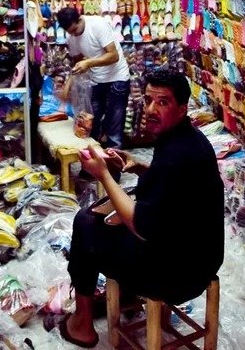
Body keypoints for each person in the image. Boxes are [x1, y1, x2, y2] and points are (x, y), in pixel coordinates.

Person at [58, 68, 225, 348]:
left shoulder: (176, 153)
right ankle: (124, 297)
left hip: (178, 274)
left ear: (182, 108)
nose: (150, 110)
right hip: (200, 258)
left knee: (85, 224)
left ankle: (83, 324)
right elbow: (173, 189)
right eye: (148, 100)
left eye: (163, 102)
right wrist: (139, 166)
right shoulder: (189, 139)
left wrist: (104, 175)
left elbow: (143, 227)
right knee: (99, 217)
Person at [56, 7, 130, 150]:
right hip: (96, 80)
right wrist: (67, 86)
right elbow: (77, 63)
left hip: (117, 78)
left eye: (75, 30)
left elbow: (114, 56)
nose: (73, 34)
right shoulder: (71, 37)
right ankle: (92, 160)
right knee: (89, 123)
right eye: (70, 32)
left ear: (80, 19)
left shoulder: (98, 25)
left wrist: (89, 63)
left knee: (114, 128)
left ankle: (113, 163)